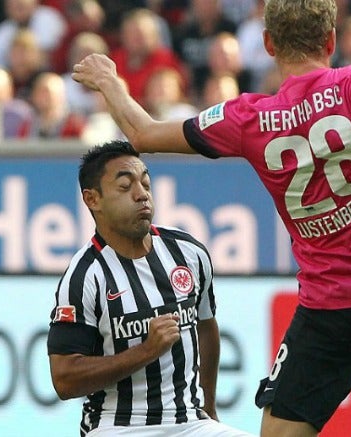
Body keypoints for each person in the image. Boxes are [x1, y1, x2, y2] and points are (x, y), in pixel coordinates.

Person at [71, 1, 351, 436]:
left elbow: (142, 134)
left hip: (331, 309)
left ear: (269, 44)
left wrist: (109, 82)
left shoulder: (246, 117)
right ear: (331, 39)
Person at [47, 141, 254, 437]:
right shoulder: (85, 275)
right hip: (117, 427)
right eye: (125, 186)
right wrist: (146, 350)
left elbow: (206, 326)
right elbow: (64, 380)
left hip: (191, 423)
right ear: (93, 199)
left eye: (145, 182)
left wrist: (208, 406)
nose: (141, 194)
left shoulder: (188, 252)